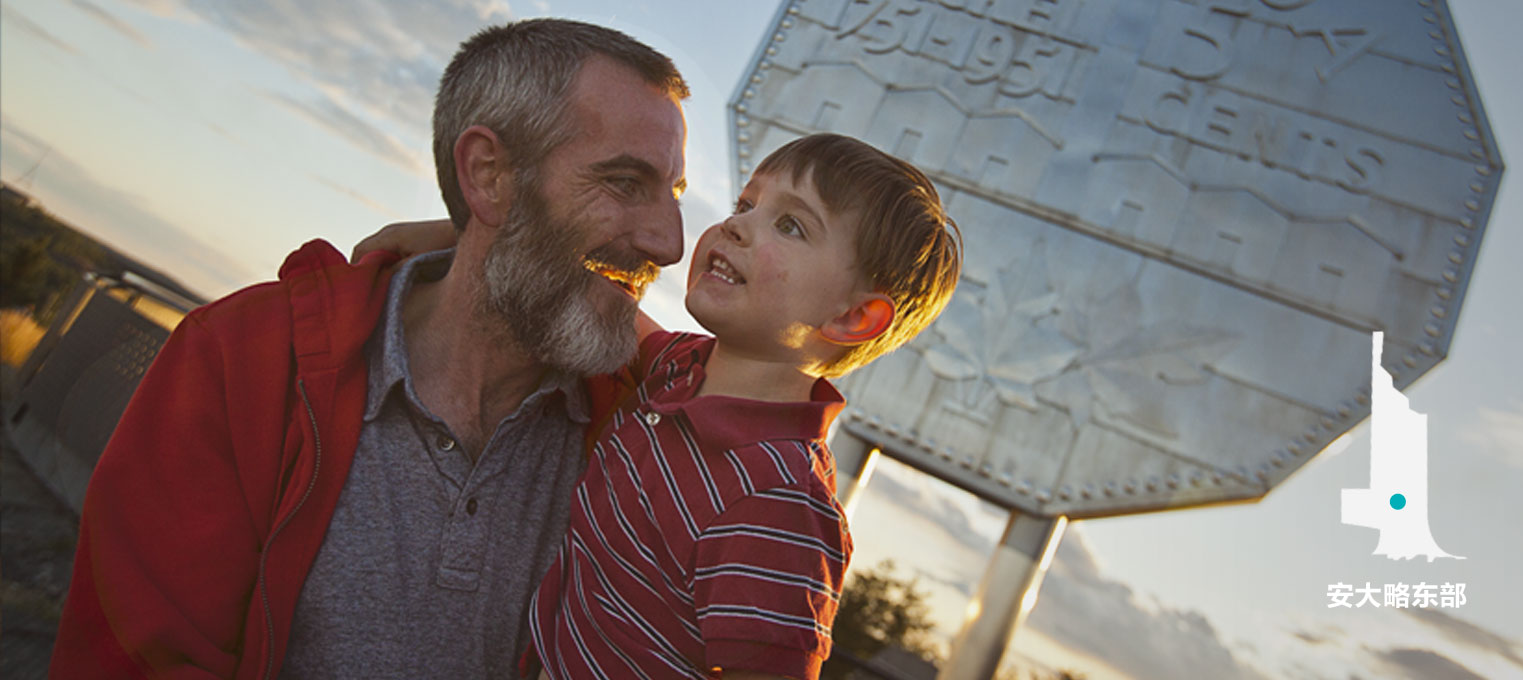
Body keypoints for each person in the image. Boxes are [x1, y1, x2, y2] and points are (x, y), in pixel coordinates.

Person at [50, 19, 690, 679]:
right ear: (489, 173)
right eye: (624, 182)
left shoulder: (648, 429)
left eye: (671, 195)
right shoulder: (245, 360)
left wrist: (500, 231)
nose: (670, 245)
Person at [360, 134, 964, 680]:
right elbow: (580, 282)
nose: (737, 227)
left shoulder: (779, 500)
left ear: (853, 318)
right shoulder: (678, 369)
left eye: (791, 227)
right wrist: (457, 234)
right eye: (745, 205)